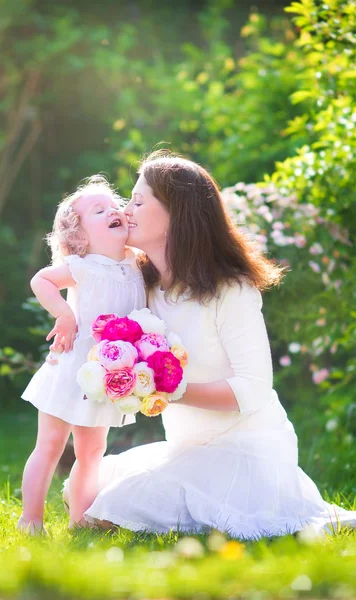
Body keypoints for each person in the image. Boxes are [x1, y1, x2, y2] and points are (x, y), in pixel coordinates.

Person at [63, 152, 356, 539]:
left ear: (175, 213)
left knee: (115, 506)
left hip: (248, 449)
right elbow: (86, 291)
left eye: (138, 200)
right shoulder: (143, 285)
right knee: (83, 486)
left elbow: (253, 389)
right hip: (186, 448)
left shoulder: (231, 290)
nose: (125, 209)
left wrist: (165, 389)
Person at [18, 176, 146, 534]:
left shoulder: (136, 264)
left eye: (114, 205)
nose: (113, 210)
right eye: (99, 209)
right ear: (79, 236)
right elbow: (41, 280)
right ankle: (30, 518)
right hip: (70, 366)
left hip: (104, 375)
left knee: (92, 450)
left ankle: (80, 517)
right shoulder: (83, 266)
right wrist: (65, 314)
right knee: (52, 443)